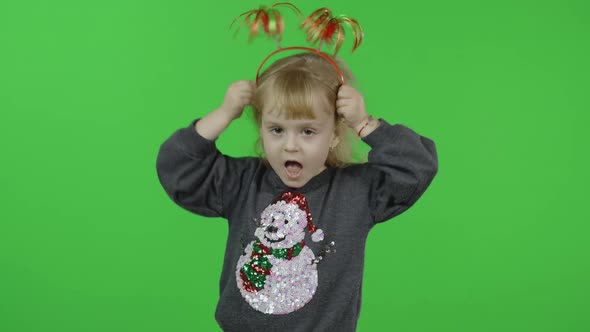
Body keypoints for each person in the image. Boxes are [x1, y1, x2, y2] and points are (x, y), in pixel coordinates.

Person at [156, 51, 438, 331]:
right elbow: (178, 168)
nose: (290, 145)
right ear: (261, 129)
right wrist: (223, 113)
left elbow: (417, 167)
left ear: (335, 134)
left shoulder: (357, 191)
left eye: (307, 131)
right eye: (277, 129)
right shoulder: (242, 182)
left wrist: (364, 124)